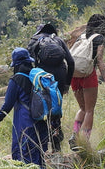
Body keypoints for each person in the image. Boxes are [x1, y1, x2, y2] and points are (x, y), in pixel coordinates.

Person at [0, 47, 48, 168]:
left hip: (25, 121)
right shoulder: (36, 75)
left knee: (25, 154)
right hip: (41, 120)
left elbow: (8, 103)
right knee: (39, 153)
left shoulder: (17, 79)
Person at [28, 21, 74, 153]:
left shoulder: (34, 41)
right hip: (59, 76)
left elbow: (28, 62)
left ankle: (42, 146)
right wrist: (67, 84)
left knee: (41, 108)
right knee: (55, 108)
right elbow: (70, 62)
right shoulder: (58, 40)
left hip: (42, 77)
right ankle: (56, 146)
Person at [68, 12, 105, 147]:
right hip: (88, 74)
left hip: (74, 75)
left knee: (82, 108)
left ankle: (74, 135)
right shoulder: (99, 39)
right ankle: (84, 141)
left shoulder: (81, 37)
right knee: (89, 110)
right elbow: (99, 60)